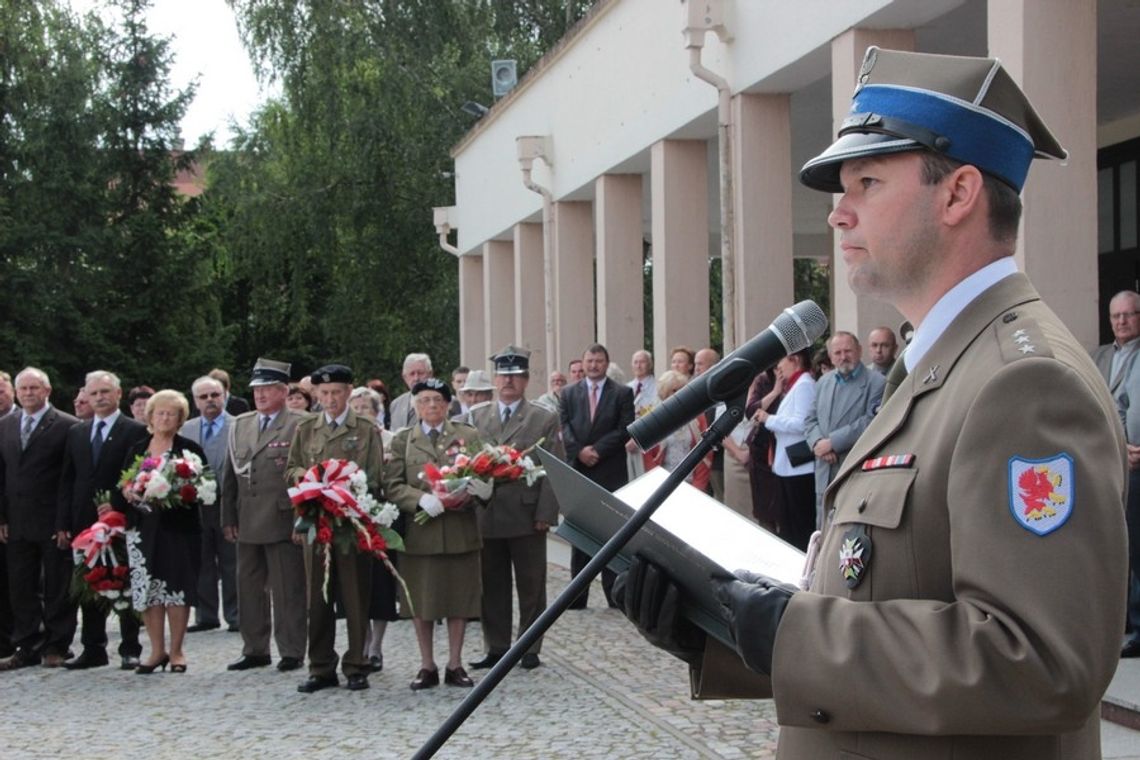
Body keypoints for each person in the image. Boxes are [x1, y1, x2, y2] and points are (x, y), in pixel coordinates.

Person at [616, 47, 1126, 759]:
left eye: (867, 182)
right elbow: (871, 603)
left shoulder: (1024, 385)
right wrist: (722, 631)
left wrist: (789, 631)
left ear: (958, 195)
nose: (838, 215)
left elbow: (1039, 661)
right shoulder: (935, 367)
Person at [286, 364, 385, 693]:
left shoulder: (366, 429)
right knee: (318, 596)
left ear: (348, 392)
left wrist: (344, 489)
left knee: (356, 595)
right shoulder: (307, 428)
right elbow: (292, 469)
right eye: (324, 393)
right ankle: (320, 665)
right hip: (317, 521)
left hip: (351, 522)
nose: (330, 399)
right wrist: (312, 482)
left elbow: (373, 476)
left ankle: (357, 664)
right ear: (316, 395)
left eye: (336, 393)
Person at [383, 378, 486, 690]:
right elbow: (392, 484)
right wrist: (419, 500)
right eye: (425, 400)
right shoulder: (403, 440)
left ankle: (455, 664)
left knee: (459, 600)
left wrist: (475, 491)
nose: (432, 406)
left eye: (438, 401)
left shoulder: (467, 436)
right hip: (420, 534)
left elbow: (483, 474)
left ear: (448, 405)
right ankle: (426, 664)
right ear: (415, 405)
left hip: (459, 530)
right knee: (422, 602)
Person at [468, 347, 564, 671]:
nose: (508, 381)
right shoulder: (477, 416)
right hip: (488, 512)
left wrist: (545, 514)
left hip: (526, 513)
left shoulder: (543, 417)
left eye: (515, 375)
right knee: (490, 583)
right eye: (503, 375)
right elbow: (466, 465)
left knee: (531, 584)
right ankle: (496, 646)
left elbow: (554, 469)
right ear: (495, 379)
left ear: (525, 380)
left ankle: (529, 646)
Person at [57, 371, 148, 670]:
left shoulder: (134, 430)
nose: (99, 398)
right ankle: (93, 647)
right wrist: (63, 523)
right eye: (93, 393)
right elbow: (67, 480)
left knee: (123, 581)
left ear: (119, 394)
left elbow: (137, 476)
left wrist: (117, 502)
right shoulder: (77, 432)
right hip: (84, 520)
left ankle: (130, 647)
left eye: (105, 392)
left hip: (121, 519)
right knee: (90, 582)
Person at [221, 359, 307, 673]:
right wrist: (227, 516)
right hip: (247, 516)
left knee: (288, 588)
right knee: (248, 585)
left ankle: (292, 649)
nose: (260, 394)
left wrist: (304, 516)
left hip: (283, 516)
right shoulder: (241, 423)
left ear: (284, 391)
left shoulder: (299, 422)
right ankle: (255, 647)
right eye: (257, 389)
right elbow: (230, 474)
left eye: (268, 388)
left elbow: (307, 476)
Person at [116, 389, 209, 675]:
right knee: (149, 590)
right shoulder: (137, 448)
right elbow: (122, 484)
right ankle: (157, 650)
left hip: (178, 529)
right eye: (160, 413)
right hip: (143, 529)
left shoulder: (188, 449)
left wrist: (179, 491)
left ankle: (178, 650)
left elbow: (204, 486)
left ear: (180, 418)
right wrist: (129, 491)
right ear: (150, 416)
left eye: (171, 413)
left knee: (177, 590)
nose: (165, 418)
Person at [0, 367, 80, 669]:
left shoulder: (66, 425)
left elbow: (67, 479)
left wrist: (64, 523)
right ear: (17, 393)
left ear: (47, 391)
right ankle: (27, 644)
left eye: (35, 388)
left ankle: (57, 644)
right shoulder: (5, 425)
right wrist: (2, 517)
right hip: (17, 520)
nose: (29, 393)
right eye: (23, 389)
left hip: (52, 520)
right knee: (21, 587)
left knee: (58, 586)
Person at [560, 344, 635, 609]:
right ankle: (577, 596)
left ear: (606, 363)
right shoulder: (568, 393)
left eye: (599, 361)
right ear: (583, 363)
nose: (593, 365)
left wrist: (597, 451)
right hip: (579, 470)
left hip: (610, 470)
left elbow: (625, 428)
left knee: (611, 533)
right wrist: (579, 451)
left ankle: (614, 594)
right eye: (590, 360)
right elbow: (564, 426)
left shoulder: (622, 393)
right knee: (580, 531)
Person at [804, 332, 885, 530]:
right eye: (837, 352)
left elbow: (872, 421)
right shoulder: (823, 382)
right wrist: (817, 444)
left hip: (852, 468)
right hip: (823, 470)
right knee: (822, 530)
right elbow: (809, 419)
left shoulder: (877, 383)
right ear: (830, 357)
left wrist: (832, 442)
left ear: (859, 351)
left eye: (848, 351)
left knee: (848, 531)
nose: (843, 356)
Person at [180, 376, 238, 633]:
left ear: (224, 395)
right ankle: (205, 615)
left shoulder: (239, 426)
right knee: (200, 561)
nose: (210, 401)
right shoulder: (187, 428)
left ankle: (236, 615)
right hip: (197, 506)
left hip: (229, 504)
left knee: (232, 562)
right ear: (195, 401)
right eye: (203, 397)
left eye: (215, 395)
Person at [751, 349, 816, 550]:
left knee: (798, 524)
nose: (778, 369)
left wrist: (768, 419)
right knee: (787, 522)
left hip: (799, 467)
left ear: (794, 360)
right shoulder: (796, 385)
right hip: (788, 464)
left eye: (782, 363)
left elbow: (801, 423)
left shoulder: (804, 385)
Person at [647, 370, 710, 492]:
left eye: (682, 389)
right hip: (661, 484)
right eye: (674, 390)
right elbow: (648, 457)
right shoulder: (654, 418)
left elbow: (706, 453)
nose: (679, 394)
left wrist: (698, 487)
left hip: (692, 483)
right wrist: (657, 486)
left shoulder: (698, 417)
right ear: (664, 392)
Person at [744, 369, 782, 532]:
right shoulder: (763, 380)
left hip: (786, 448)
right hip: (763, 450)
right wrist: (775, 392)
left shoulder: (802, 379)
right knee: (765, 510)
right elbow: (751, 411)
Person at [1092, 290, 1140, 395]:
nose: (1122, 321)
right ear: (1110, 320)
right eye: (1116, 316)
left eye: (1129, 314)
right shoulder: (1096, 356)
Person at [625, 350, 657, 478]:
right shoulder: (627, 388)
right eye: (635, 362)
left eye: (642, 362)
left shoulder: (657, 387)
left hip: (648, 439)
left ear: (650, 364)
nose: (639, 365)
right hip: (628, 441)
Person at [388, 353, 433, 432]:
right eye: (412, 374)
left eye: (420, 373)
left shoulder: (446, 401)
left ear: (430, 374)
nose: (416, 378)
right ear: (405, 377)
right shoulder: (396, 404)